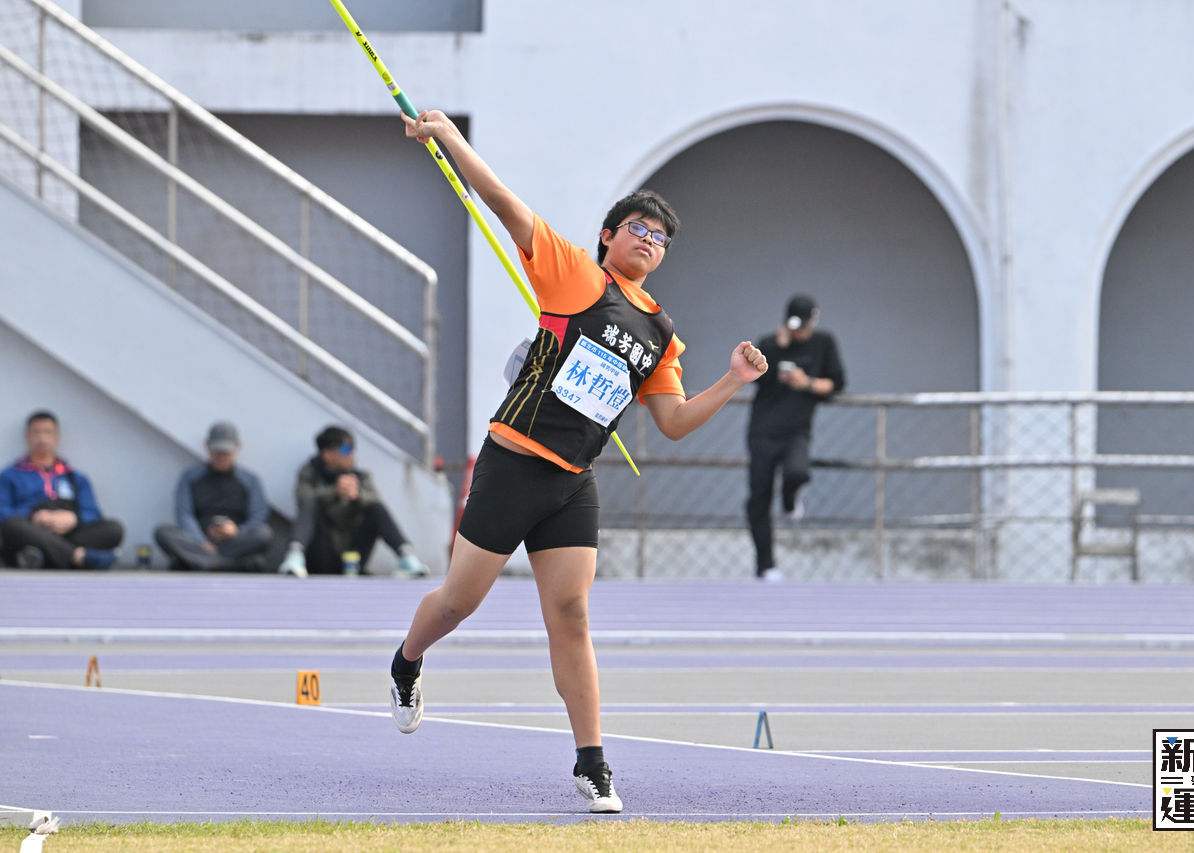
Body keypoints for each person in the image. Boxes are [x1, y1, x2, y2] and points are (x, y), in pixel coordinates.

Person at [389, 108, 768, 815]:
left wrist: (732, 380)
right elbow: (502, 201)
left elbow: (674, 423)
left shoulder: (661, 333)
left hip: (572, 482)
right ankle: (407, 659)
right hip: (512, 466)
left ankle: (593, 763)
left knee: (572, 615)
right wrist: (450, 137)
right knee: (459, 602)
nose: (648, 241)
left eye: (659, 238)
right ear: (609, 235)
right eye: (638, 229)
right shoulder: (574, 275)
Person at [746, 294, 846, 583]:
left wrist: (806, 383)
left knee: (798, 472)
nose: (798, 332)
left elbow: (837, 383)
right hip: (763, 430)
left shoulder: (824, 343)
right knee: (759, 497)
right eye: (793, 327)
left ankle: (790, 501)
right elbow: (754, 378)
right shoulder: (769, 344)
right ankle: (765, 566)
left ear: (814, 321)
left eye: (802, 327)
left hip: (796, 431)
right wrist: (777, 349)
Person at [277, 426, 424, 578]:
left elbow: (376, 502)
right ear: (327, 454)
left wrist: (357, 495)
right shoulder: (310, 474)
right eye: (346, 449)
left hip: (353, 555)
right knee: (311, 503)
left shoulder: (361, 477)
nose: (352, 454)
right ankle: (294, 556)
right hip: (321, 554)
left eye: (353, 449)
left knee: (375, 507)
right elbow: (303, 499)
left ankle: (407, 556)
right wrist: (334, 492)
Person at [0, 410, 124, 569]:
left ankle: (45, 558)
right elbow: (3, 512)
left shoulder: (75, 477)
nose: (42, 438)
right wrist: (34, 516)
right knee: (12, 525)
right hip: (32, 531)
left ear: (56, 436)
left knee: (113, 529)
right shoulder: (10, 475)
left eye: (47, 432)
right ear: (27, 436)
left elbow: (93, 513)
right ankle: (79, 557)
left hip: (67, 533)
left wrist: (73, 519)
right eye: (36, 432)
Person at [153, 422, 274, 572]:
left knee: (263, 534)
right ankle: (225, 564)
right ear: (207, 446)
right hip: (199, 541)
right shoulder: (190, 477)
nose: (221, 456)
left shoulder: (250, 480)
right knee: (163, 532)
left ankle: (202, 563)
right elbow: (184, 514)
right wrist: (201, 541)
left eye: (226, 452)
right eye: (217, 451)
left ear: (238, 447)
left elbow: (258, 516)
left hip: (233, 542)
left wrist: (236, 531)